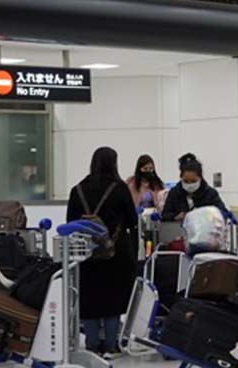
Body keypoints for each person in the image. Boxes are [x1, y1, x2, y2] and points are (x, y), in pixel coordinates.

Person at [66, 147, 139, 357]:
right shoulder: (119, 188)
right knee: (113, 298)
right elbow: (132, 221)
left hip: (85, 252)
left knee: (90, 297)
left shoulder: (77, 189)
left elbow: (70, 221)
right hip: (115, 252)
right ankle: (110, 345)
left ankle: (90, 345)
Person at [162, 153, 227, 220]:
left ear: (200, 178)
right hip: (178, 229)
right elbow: (165, 215)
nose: (189, 184)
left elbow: (223, 213)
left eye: (193, 181)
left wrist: (208, 216)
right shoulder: (174, 193)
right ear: (181, 177)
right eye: (186, 181)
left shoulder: (210, 193)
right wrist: (175, 217)